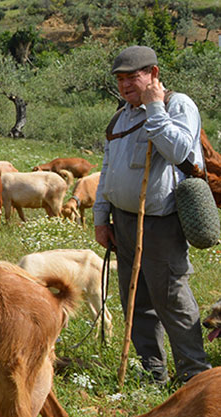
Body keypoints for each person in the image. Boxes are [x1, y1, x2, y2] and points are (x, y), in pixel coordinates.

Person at [94, 45, 211, 384]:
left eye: (133, 77)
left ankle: (194, 376)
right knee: (137, 298)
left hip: (160, 222)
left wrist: (155, 108)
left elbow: (178, 151)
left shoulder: (178, 105)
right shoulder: (121, 115)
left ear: (154, 74)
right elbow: (108, 169)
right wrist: (102, 217)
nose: (126, 85)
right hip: (124, 220)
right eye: (120, 79)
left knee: (171, 298)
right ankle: (153, 370)